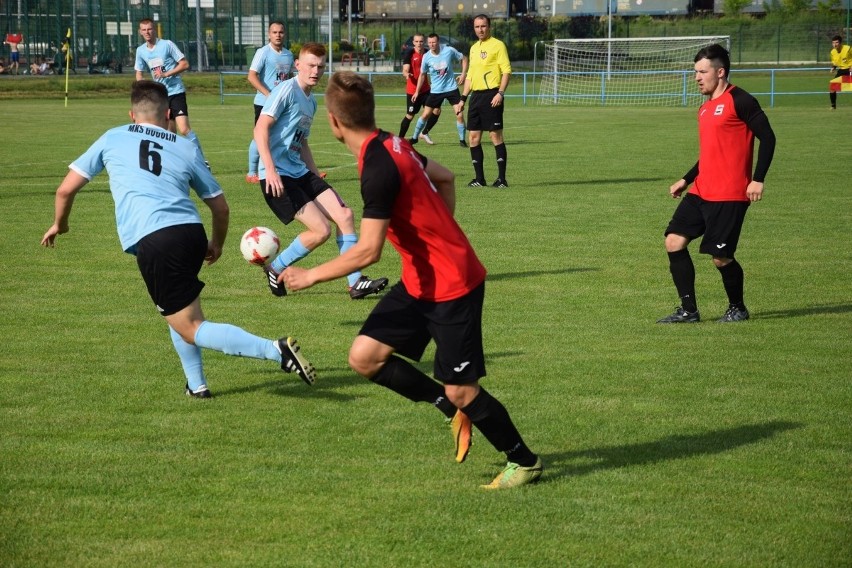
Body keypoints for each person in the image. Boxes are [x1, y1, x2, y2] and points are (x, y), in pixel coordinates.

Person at [283, 70, 543, 490]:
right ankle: (447, 409)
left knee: (463, 390)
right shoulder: (392, 142)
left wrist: (309, 275)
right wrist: (438, 234)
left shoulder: (378, 166)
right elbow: (446, 178)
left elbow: (368, 251)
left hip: (453, 285)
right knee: (365, 357)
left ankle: (524, 460)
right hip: (422, 279)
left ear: (333, 122)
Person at [40, 80, 316, 398]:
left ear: (131, 114)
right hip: (190, 232)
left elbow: (65, 189)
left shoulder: (112, 137)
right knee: (179, 311)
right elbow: (220, 206)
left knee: (191, 326)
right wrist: (216, 243)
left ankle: (276, 350)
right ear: (169, 114)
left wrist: (60, 225)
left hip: (155, 239)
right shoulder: (185, 146)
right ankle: (196, 384)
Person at [254, 43, 388, 300]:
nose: (316, 71)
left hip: (299, 172)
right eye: (311, 65)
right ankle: (276, 267)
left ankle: (355, 282)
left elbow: (301, 141)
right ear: (298, 65)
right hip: (277, 176)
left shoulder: (311, 102)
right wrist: (269, 169)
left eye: (320, 66)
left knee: (345, 215)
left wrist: (315, 175)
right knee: (321, 231)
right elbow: (261, 128)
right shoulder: (286, 90)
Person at [658, 44, 776, 324]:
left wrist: (757, 179)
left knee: (720, 258)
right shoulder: (704, 108)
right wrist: (686, 180)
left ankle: (738, 308)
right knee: (673, 242)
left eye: (703, 71)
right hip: (701, 191)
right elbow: (710, 153)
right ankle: (689, 311)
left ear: (720, 72)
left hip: (729, 193)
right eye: (695, 72)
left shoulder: (742, 100)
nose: (697, 77)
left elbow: (768, 138)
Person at [134, 18, 208, 166]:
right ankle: (170, 163)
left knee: (184, 129)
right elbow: (139, 73)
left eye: (149, 29)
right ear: (140, 32)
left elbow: (184, 63)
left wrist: (168, 74)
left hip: (175, 92)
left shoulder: (167, 45)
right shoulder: (140, 50)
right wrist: (142, 88)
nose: (147, 32)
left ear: (155, 30)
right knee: (167, 133)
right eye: (144, 30)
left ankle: (202, 161)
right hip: (159, 96)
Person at [460, 14, 511, 188]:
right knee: (473, 138)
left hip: (492, 95)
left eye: (483, 26)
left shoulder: (498, 45)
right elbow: (470, 76)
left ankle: (502, 179)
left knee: (495, 135)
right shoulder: (473, 48)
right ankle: (479, 179)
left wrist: (501, 93)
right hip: (476, 97)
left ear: (489, 27)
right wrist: (463, 98)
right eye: (477, 27)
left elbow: (506, 71)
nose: (480, 30)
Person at [245, 21, 294, 184]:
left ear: (284, 34)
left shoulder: (288, 55)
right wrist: (268, 94)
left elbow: (290, 77)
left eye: (280, 32)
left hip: (283, 103)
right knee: (261, 136)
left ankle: (292, 168)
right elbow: (252, 76)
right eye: (274, 32)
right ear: (269, 34)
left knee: (285, 134)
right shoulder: (263, 52)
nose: (278, 35)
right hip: (264, 102)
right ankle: (252, 172)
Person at [409, 33, 468, 148]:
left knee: (459, 115)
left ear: (438, 41)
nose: (432, 45)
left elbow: (464, 58)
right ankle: (415, 137)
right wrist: (417, 91)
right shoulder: (426, 57)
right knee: (425, 114)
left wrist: (463, 74)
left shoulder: (448, 50)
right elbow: (422, 75)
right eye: (429, 43)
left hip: (451, 88)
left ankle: (462, 141)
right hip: (436, 91)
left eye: (434, 42)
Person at [398, 34, 440, 144]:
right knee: (410, 115)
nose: (419, 43)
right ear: (413, 42)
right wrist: (407, 74)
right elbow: (405, 69)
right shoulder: (409, 53)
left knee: (436, 110)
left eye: (421, 41)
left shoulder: (427, 52)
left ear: (424, 42)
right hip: (412, 91)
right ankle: (400, 140)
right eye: (416, 41)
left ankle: (424, 133)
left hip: (426, 90)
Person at [829, 35, 852, 110]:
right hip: (842, 70)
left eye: (837, 43)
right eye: (833, 43)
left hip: (850, 69)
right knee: (832, 86)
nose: (835, 45)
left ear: (841, 43)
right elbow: (835, 62)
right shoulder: (832, 52)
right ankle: (833, 106)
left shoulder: (848, 49)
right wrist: (833, 68)